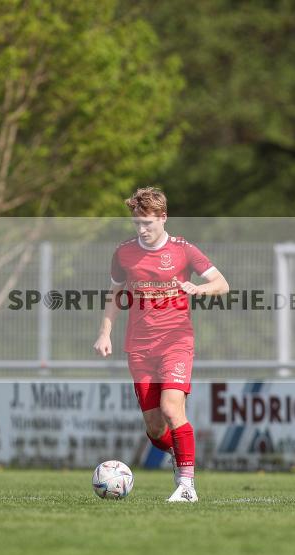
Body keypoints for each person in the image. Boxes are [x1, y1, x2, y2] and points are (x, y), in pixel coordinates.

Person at [93, 187, 228, 502]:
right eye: (137, 223)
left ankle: (187, 485)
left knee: (171, 408)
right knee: (155, 429)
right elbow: (114, 295)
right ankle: (181, 454)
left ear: (163, 218)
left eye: (148, 224)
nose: (142, 230)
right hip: (138, 348)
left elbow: (222, 284)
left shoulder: (183, 250)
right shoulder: (124, 253)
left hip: (176, 342)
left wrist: (199, 289)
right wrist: (105, 332)